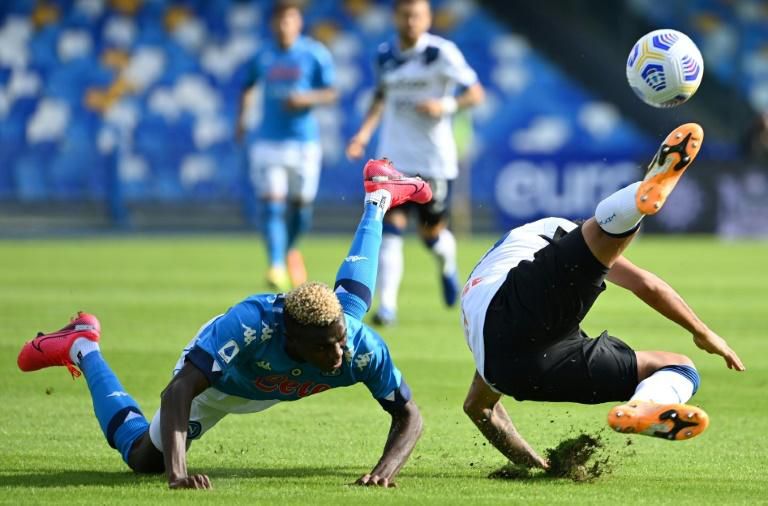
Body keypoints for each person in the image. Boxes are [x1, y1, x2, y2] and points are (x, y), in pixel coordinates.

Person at [17, 159, 431, 489]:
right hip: (225, 384)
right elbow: (177, 391)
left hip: (298, 347)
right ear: (291, 337)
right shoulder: (248, 328)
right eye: (325, 348)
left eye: (339, 343)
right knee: (143, 459)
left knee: (350, 307)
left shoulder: (356, 346)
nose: (339, 356)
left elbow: (409, 415)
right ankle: (83, 346)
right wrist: (176, 473)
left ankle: (377, 198)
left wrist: (385, 470)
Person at [460, 124, 745, 470]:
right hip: (513, 307)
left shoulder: (511, 301)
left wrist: (540, 466)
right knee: (607, 226)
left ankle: (644, 407)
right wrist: (702, 331)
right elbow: (645, 284)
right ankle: (642, 193)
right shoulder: (557, 229)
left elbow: (479, 408)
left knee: (677, 366)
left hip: (509, 367)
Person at [346, 0, 485, 325]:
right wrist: (362, 135)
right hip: (394, 159)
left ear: (427, 19)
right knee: (390, 229)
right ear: (396, 17)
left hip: (434, 162)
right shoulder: (383, 56)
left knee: (431, 235)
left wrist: (445, 105)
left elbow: (476, 93)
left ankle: (447, 265)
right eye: (405, 15)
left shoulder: (442, 54)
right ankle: (387, 306)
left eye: (417, 16)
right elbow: (382, 97)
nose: (411, 21)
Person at [236, 0, 338, 291]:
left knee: (301, 211)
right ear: (273, 24)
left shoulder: (314, 54)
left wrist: (305, 99)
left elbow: (330, 92)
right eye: (280, 21)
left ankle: (288, 250)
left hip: (304, 144)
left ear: (298, 23)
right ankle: (276, 265)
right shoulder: (263, 55)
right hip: (268, 142)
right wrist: (242, 120)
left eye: (289, 20)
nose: (284, 26)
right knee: (272, 206)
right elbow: (248, 85)